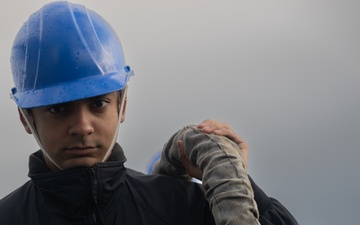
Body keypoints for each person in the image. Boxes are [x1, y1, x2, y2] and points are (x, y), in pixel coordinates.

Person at [0, 1, 298, 225]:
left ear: (122, 106)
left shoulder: (185, 208)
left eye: (98, 104)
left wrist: (240, 185)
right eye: (58, 108)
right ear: (26, 118)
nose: (82, 126)